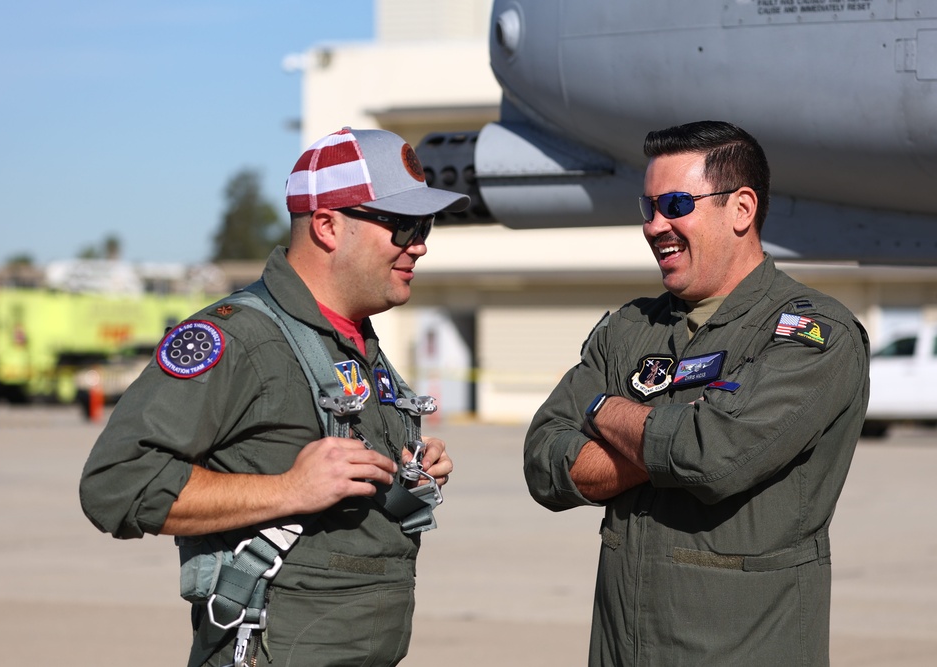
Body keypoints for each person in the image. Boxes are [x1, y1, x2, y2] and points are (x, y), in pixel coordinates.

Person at [80, 127, 468, 667]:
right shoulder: (240, 339)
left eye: (424, 225)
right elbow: (117, 484)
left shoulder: (354, 341)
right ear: (329, 226)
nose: (419, 244)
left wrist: (409, 469)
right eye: (402, 226)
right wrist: (288, 490)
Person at [523, 120, 869, 666]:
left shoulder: (813, 333)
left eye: (677, 203)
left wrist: (601, 410)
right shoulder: (630, 328)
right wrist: (668, 437)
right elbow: (544, 462)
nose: (655, 225)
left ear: (741, 209)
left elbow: (714, 457)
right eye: (649, 207)